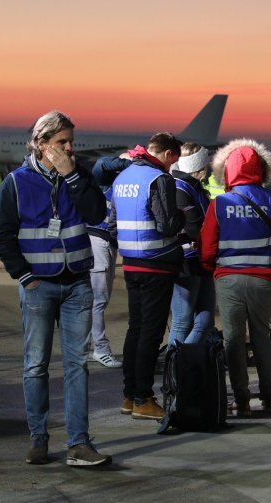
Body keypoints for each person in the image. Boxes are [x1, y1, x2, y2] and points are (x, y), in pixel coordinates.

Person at [0, 110, 111, 467]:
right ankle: (39, 438)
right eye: (62, 143)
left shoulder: (78, 176)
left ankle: (78, 443)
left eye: (71, 142)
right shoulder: (17, 182)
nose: (69, 148)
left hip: (76, 284)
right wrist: (25, 276)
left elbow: (96, 214)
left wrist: (72, 176)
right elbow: (1, 234)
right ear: (41, 145)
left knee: (77, 366)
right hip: (39, 287)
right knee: (36, 366)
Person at [200, 138, 271, 417]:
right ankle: (270, 398)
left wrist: (214, 269)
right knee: (261, 337)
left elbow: (206, 248)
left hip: (228, 279)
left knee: (233, 340)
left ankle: (241, 401)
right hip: (263, 280)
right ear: (261, 169)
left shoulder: (220, 204)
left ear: (227, 170)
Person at [108, 133, 185, 421]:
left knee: (135, 329)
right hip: (157, 264)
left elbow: (112, 226)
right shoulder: (158, 179)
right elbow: (167, 224)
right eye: (173, 162)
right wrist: (182, 217)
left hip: (131, 265)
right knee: (151, 335)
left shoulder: (123, 177)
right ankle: (144, 398)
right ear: (166, 154)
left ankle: (130, 395)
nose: (171, 168)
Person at [85, 154, 132, 368]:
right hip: (98, 241)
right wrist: (127, 163)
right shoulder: (106, 181)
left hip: (108, 244)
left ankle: (83, 347)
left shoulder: (125, 186)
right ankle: (100, 349)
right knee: (98, 300)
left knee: (96, 300)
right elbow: (100, 164)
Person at [167, 143, 215, 347]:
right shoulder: (179, 188)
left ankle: (185, 362)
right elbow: (195, 226)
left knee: (205, 319)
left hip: (200, 259)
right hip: (185, 262)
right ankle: (175, 367)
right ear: (201, 169)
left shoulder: (194, 189)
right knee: (182, 321)